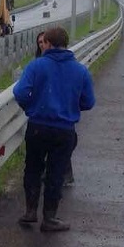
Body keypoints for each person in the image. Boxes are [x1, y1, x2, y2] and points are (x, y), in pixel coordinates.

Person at [13, 26, 94, 232]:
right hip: (64, 129)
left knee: (32, 167)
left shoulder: (36, 66)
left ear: (47, 43)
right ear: (66, 44)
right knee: (55, 173)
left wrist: (31, 107)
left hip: (38, 126)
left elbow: (21, 92)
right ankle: (49, 218)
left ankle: (30, 211)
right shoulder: (80, 70)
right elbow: (89, 102)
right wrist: (70, 106)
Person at [34, 31, 75, 187]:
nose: (42, 45)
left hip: (59, 116)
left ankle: (62, 175)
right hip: (45, 117)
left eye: (44, 42)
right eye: (39, 43)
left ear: (50, 43)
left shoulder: (65, 64)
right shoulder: (37, 64)